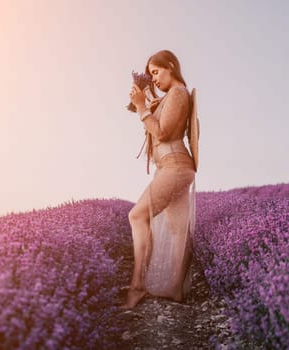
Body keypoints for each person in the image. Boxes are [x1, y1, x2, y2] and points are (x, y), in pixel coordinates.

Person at [120, 50, 197, 309]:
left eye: (156, 72)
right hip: (175, 166)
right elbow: (159, 127)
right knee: (178, 230)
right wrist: (147, 106)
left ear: (171, 66)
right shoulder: (170, 97)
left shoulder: (177, 93)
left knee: (137, 216)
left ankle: (138, 286)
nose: (153, 79)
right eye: (150, 74)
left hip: (174, 166)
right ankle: (176, 289)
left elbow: (162, 133)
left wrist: (142, 107)